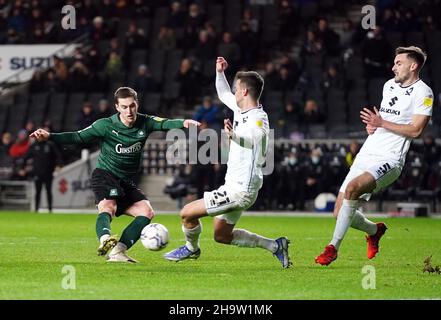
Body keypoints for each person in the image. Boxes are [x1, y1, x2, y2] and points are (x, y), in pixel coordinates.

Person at [30, 87, 200, 263]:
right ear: (117, 107)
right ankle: (105, 239)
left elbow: (163, 123)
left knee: (146, 212)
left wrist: (182, 122)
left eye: (132, 106)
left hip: (125, 181)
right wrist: (49, 136)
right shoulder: (104, 125)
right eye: (124, 107)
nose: (129, 111)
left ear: (137, 104)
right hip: (105, 174)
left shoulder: (145, 122)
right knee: (108, 207)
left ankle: (118, 252)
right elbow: (77, 137)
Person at [164, 57, 292, 268]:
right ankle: (275, 246)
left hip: (241, 189)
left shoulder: (258, 118)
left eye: (236, 87)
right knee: (221, 235)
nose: (233, 90)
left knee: (187, 213)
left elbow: (256, 139)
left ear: (244, 92)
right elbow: (223, 93)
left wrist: (235, 136)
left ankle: (191, 249)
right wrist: (219, 72)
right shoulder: (240, 109)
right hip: (234, 185)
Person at [315, 46, 434, 266]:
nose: (393, 67)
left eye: (399, 63)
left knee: (352, 190)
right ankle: (374, 230)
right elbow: (385, 120)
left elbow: (416, 130)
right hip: (367, 152)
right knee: (338, 211)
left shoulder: (424, 93)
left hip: (389, 159)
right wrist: (374, 127)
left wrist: (382, 123)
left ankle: (332, 248)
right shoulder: (389, 86)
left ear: (413, 65)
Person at [25, 125, 62, 212]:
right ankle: (36, 209)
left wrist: (59, 165)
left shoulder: (50, 145)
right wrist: (22, 167)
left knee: (48, 191)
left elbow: (58, 156)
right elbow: (25, 157)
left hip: (48, 172)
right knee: (37, 192)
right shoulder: (33, 146)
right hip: (37, 173)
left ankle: (50, 209)